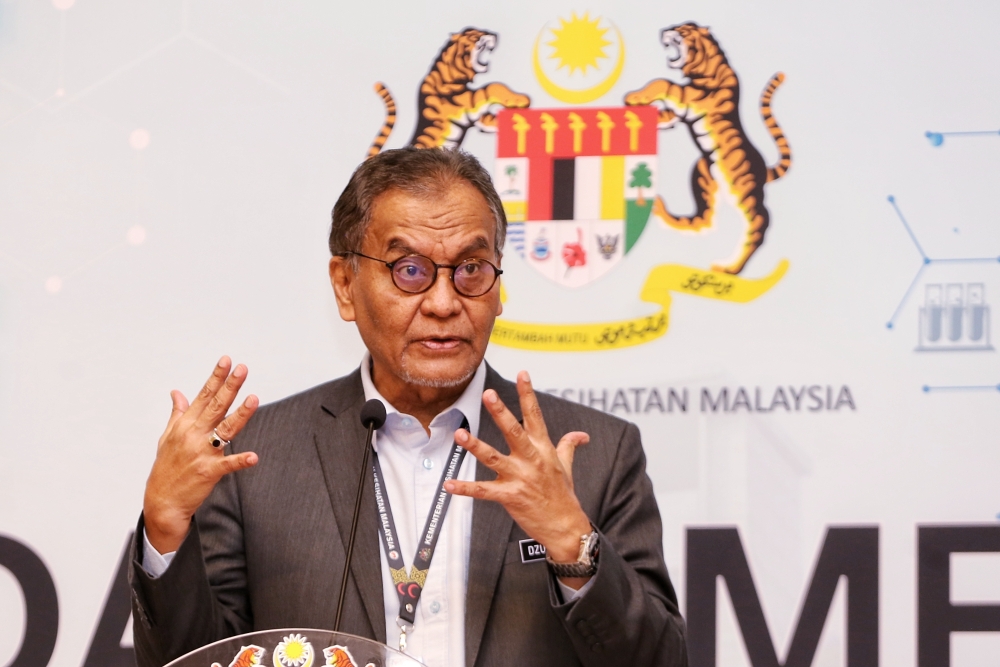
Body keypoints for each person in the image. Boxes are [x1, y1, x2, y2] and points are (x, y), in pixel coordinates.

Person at [129, 147, 687, 667]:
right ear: (345, 285)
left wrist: (573, 548)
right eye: (410, 270)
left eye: (471, 269)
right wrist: (164, 532)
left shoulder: (595, 452)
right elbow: (202, 659)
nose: (444, 303)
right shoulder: (254, 459)